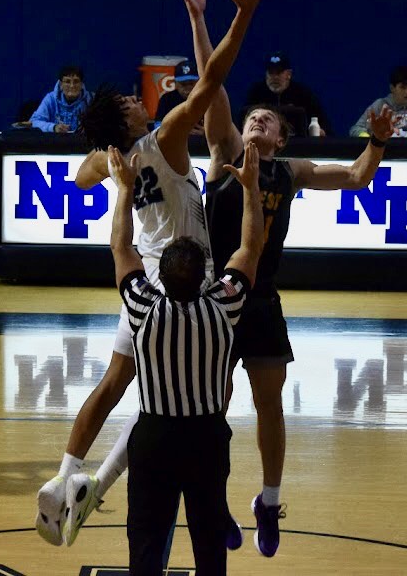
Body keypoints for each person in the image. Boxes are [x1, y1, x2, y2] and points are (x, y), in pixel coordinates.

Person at [35, 0, 273, 548]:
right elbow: (212, 79)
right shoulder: (164, 137)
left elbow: (82, 173)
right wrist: (242, 14)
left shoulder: (108, 159)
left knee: (118, 380)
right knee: (200, 400)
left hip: (141, 284)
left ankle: (69, 476)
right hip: (189, 285)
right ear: (129, 120)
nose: (133, 99)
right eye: (126, 101)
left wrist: (108, 164)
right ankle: (166, 494)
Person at [194, 21, 394, 556]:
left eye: (269, 120)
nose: (258, 118)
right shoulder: (224, 155)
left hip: (260, 300)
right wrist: (198, 20)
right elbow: (212, 84)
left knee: (270, 406)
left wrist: (376, 140)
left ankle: (268, 500)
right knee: (213, 411)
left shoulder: (291, 171)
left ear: (281, 138)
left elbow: (356, 177)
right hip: (214, 300)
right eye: (252, 116)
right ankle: (214, 502)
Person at [108, 142, 262, 576]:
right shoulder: (223, 306)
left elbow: (122, 249)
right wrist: (250, 190)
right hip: (207, 438)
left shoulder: (142, 307)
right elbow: (250, 249)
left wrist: (124, 190)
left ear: (161, 277)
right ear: (204, 276)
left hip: (154, 436)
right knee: (209, 545)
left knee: (145, 542)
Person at [243, 52, 332, 137]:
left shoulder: (303, 94)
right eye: (271, 73)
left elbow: (323, 124)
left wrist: (321, 131)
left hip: (298, 146)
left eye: (278, 72)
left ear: (289, 74)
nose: (274, 77)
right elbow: (243, 121)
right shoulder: (257, 93)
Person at [30, 66, 92, 134]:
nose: (72, 86)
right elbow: (34, 122)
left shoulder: (91, 99)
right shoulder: (51, 99)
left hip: (82, 143)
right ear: (60, 84)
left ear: (81, 84)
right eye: (67, 82)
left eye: (76, 81)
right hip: (55, 142)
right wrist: (53, 127)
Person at [155, 60, 204, 135]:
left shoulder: (208, 98)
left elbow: (222, 129)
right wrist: (178, 131)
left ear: (199, 81)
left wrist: (208, 133)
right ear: (175, 83)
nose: (188, 88)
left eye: (191, 83)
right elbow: (157, 129)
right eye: (183, 84)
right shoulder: (167, 99)